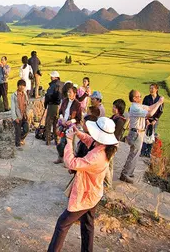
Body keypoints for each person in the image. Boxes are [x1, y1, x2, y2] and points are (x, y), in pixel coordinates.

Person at [48, 117, 118, 252]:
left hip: (86, 195)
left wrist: (69, 141)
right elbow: (89, 140)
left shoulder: (97, 157)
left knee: (62, 224)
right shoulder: (104, 146)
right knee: (87, 226)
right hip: (94, 193)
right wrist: (78, 133)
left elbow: (71, 163)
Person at [120, 90, 164, 184]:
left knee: (136, 154)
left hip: (139, 132)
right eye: (138, 96)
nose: (140, 97)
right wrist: (159, 102)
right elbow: (150, 114)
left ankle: (129, 172)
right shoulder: (135, 108)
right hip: (136, 133)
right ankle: (125, 174)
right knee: (133, 154)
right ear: (134, 98)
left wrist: (158, 102)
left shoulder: (138, 106)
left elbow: (149, 108)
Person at [54, 86, 82, 164]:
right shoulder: (65, 101)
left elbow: (79, 118)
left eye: (70, 92)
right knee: (60, 143)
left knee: (68, 144)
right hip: (62, 124)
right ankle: (60, 157)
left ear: (75, 94)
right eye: (68, 92)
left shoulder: (77, 104)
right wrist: (62, 119)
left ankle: (69, 161)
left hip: (71, 126)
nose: (68, 94)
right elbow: (60, 112)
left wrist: (71, 121)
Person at [104, 99, 126, 188]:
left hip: (112, 144)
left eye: (114, 107)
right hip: (110, 142)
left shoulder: (120, 120)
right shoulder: (114, 117)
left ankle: (108, 184)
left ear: (118, 109)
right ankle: (108, 183)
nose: (112, 108)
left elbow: (115, 134)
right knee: (109, 164)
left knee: (107, 164)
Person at [140, 83, 163, 157]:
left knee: (151, 135)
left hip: (154, 120)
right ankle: (143, 151)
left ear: (156, 89)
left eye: (152, 88)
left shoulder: (160, 100)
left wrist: (155, 120)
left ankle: (148, 152)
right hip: (146, 119)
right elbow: (143, 109)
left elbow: (160, 111)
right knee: (144, 135)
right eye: (150, 88)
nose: (151, 90)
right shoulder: (146, 98)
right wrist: (146, 120)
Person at [44, 71, 62, 145]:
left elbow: (48, 96)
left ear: (55, 77)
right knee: (56, 124)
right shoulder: (61, 84)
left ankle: (48, 141)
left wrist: (45, 104)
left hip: (52, 106)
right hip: (59, 106)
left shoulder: (53, 85)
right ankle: (56, 140)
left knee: (48, 123)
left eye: (52, 76)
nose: (51, 77)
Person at [11, 80, 29, 149]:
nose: (22, 87)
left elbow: (27, 104)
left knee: (26, 129)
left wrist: (27, 114)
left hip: (24, 115)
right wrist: (15, 118)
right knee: (17, 131)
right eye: (20, 85)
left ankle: (20, 139)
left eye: (23, 86)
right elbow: (13, 108)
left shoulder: (25, 94)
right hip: (17, 116)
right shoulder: (14, 95)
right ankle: (17, 146)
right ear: (17, 86)